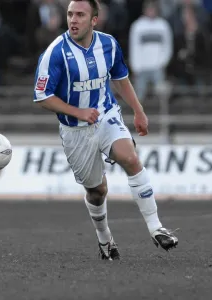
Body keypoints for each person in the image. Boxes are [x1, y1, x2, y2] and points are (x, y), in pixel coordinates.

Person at [33, 0, 178, 260]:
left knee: (131, 158)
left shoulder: (108, 44)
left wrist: (139, 110)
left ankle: (157, 228)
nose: (73, 20)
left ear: (94, 20)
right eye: (70, 14)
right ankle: (104, 239)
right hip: (76, 130)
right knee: (97, 191)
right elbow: (42, 96)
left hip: (106, 114)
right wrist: (78, 112)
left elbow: (120, 78)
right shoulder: (56, 52)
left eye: (80, 14)